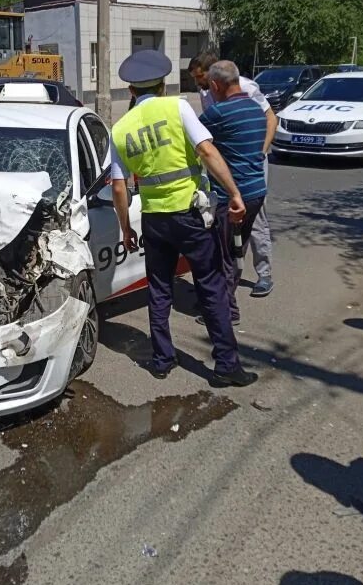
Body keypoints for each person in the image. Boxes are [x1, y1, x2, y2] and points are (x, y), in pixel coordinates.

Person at [110, 49, 258, 388]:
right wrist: (234, 193)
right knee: (211, 286)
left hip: (153, 220)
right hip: (190, 216)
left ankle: (162, 359)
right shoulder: (176, 107)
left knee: (159, 288)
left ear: (131, 91)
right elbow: (206, 150)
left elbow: (119, 187)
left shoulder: (120, 128)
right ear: (162, 85)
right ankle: (226, 366)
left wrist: (125, 228)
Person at [189, 52, 277, 297]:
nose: (199, 84)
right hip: (227, 163)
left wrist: (260, 151)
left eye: (200, 77)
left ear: (212, 75)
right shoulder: (208, 90)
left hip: (250, 162)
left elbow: (270, 117)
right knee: (232, 233)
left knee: (253, 220)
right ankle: (229, 290)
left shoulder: (245, 87)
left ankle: (263, 274)